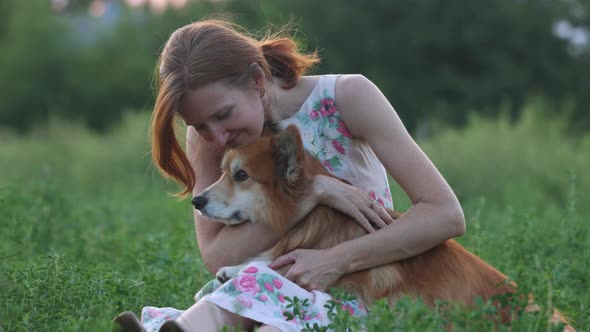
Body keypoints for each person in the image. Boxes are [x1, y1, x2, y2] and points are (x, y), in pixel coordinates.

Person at [114, 19, 465, 332]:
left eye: (223, 115)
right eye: (199, 125)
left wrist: (337, 259)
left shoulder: (346, 97)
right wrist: (312, 193)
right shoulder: (210, 137)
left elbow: (445, 215)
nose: (217, 138)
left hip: (356, 286)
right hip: (258, 286)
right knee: (245, 295)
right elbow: (219, 258)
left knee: (276, 322)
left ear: (256, 79)